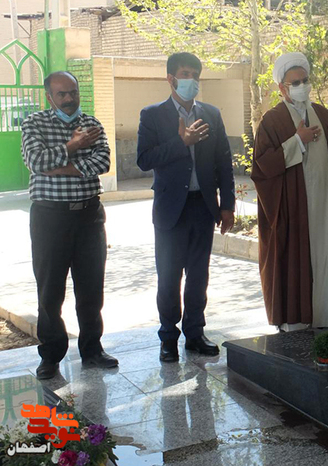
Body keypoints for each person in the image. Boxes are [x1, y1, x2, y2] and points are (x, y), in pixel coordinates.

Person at [137, 52, 235, 361]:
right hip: (171, 211)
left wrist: (227, 205)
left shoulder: (212, 114)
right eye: (185, 74)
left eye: (195, 74)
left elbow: (224, 162)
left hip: (202, 207)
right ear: (170, 78)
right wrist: (181, 143)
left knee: (198, 276)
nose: (191, 80)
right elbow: (144, 159)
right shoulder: (152, 115)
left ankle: (195, 333)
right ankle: (168, 336)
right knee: (168, 277)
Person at [21, 71, 118, 380]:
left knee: (91, 287)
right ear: (49, 96)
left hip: (89, 217)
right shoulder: (34, 123)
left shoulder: (93, 124)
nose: (68, 99)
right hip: (50, 218)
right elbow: (36, 161)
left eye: (72, 92)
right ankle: (50, 356)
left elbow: (102, 163)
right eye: (61, 94)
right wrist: (73, 145)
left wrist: (59, 168)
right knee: (50, 290)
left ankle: (92, 350)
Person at [251, 52, 328, 331]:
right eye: (294, 82)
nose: (302, 86)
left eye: (304, 80)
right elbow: (262, 166)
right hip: (293, 205)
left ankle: (326, 314)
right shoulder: (272, 121)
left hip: (324, 202)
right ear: (282, 87)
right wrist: (297, 140)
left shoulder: (322, 114)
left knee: (326, 255)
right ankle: (296, 319)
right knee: (296, 258)